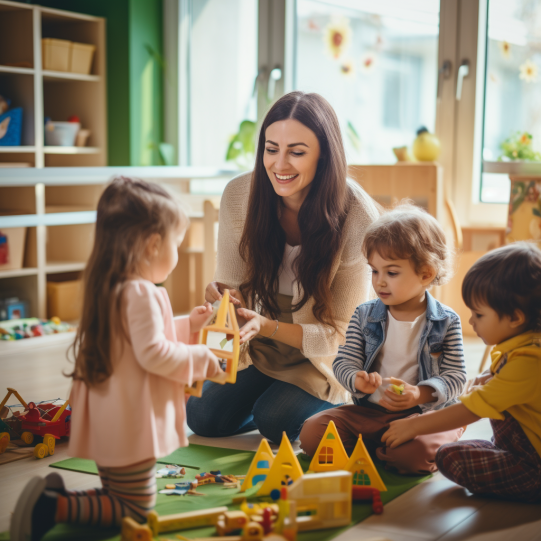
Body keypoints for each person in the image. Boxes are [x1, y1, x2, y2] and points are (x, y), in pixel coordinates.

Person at [10, 177, 221, 541]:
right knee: (135, 508)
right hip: (130, 422)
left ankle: (57, 497)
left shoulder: (114, 287)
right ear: (154, 245)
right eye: (177, 244)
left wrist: (190, 323)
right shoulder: (140, 293)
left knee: (119, 495)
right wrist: (200, 356)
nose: (177, 254)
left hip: (111, 417)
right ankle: (53, 507)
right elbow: (153, 352)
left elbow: (139, 338)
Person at [186, 91, 379, 444]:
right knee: (201, 415)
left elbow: (339, 335)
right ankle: (271, 397)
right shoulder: (239, 195)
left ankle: (332, 404)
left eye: (297, 152)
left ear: (324, 155)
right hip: (261, 345)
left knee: (275, 420)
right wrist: (225, 299)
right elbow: (231, 286)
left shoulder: (358, 216)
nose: (279, 164)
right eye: (271, 149)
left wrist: (266, 326)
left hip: (323, 357)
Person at [299, 204, 467, 474]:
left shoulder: (446, 321)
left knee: (413, 457)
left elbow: (456, 378)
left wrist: (419, 394)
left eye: (391, 272)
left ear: (426, 273)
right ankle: (385, 447)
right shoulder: (365, 315)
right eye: (374, 271)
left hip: (424, 417)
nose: (379, 282)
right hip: (371, 414)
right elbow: (343, 363)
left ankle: (395, 448)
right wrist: (356, 379)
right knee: (310, 435)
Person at [383, 242, 541, 501]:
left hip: (533, 464)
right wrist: (491, 377)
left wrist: (415, 427)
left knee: (448, 457)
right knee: (460, 448)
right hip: (515, 448)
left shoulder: (529, 360)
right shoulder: (523, 347)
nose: (471, 321)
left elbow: (472, 410)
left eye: (478, 314)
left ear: (515, 318)